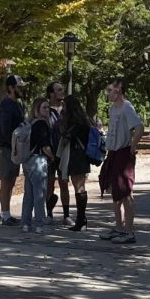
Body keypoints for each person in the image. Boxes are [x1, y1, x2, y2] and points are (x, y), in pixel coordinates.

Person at [99, 79, 144, 245]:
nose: (108, 93)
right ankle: (118, 227)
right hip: (113, 153)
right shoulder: (112, 109)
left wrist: (133, 146)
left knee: (125, 192)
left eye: (110, 90)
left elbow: (139, 127)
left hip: (123, 153)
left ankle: (129, 232)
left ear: (118, 91)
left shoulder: (127, 107)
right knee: (114, 191)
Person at [0, 74, 26, 226]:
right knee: (6, 181)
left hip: (13, 148)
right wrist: (13, 142)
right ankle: (4, 215)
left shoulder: (18, 105)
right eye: (18, 87)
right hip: (4, 148)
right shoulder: (6, 105)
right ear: (11, 88)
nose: (21, 90)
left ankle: (6, 213)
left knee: (11, 181)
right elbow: (5, 129)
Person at [58, 95, 93, 230]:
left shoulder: (74, 122)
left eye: (65, 106)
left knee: (78, 187)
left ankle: (81, 220)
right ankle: (81, 219)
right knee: (80, 186)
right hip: (82, 155)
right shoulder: (84, 120)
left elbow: (66, 137)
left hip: (75, 155)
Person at [19, 98, 54, 233]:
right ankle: (39, 224)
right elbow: (45, 146)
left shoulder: (30, 123)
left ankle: (25, 223)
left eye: (48, 107)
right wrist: (51, 157)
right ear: (37, 109)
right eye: (44, 107)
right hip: (38, 160)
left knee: (28, 194)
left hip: (27, 160)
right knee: (39, 194)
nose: (47, 110)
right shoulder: (42, 124)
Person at [45, 81, 69, 224]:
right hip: (49, 151)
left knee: (64, 182)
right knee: (49, 182)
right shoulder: (46, 109)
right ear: (51, 93)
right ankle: (49, 213)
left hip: (64, 151)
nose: (62, 92)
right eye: (59, 90)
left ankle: (66, 215)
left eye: (62, 90)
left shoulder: (67, 109)